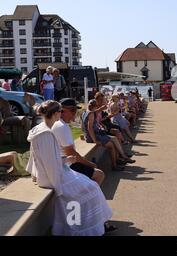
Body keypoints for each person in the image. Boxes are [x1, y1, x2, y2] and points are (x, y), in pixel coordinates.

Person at [25, 100, 114, 236]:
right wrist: (59, 186)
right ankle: (80, 227)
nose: (61, 114)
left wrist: (66, 160)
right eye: (60, 111)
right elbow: (50, 165)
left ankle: (89, 223)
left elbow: (43, 159)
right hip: (54, 177)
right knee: (91, 189)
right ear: (55, 113)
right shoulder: (46, 134)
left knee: (91, 187)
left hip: (56, 171)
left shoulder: (42, 128)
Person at [52, 98, 105, 185]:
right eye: (72, 110)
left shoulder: (60, 124)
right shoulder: (62, 126)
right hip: (66, 165)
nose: (75, 113)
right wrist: (90, 164)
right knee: (99, 175)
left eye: (75, 110)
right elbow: (71, 153)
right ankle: (86, 198)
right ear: (62, 111)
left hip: (65, 162)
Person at [82, 100, 135, 172]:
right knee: (111, 145)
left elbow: (84, 126)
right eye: (96, 106)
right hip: (93, 137)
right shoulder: (91, 114)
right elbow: (90, 128)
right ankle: (115, 165)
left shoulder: (85, 112)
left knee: (114, 138)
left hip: (93, 135)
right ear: (94, 106)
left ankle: (121, 157)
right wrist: (95, 141)